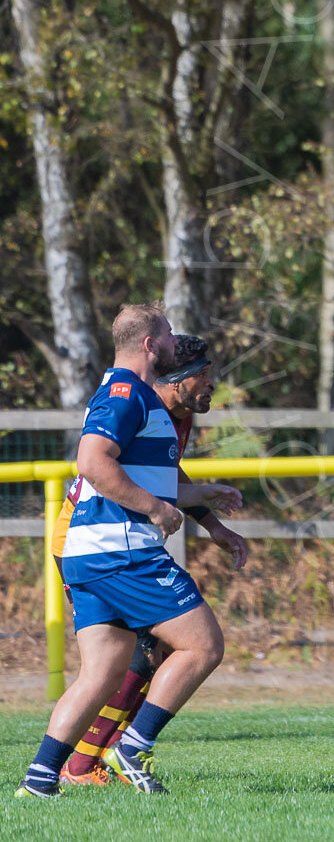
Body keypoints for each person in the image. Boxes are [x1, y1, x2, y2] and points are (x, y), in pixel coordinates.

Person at [17, 305, 232, 798]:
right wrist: (156, 510)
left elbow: (140, 474)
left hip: (92, 552)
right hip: (121, 550)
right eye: (170, 336)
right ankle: (132, 747)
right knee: (203, 645)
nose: (177, 342)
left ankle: (41, 778)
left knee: (103, 672)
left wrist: (203, 499)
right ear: (151, 345)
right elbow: (92, 462)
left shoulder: (135, 396)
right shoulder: (126, 392)